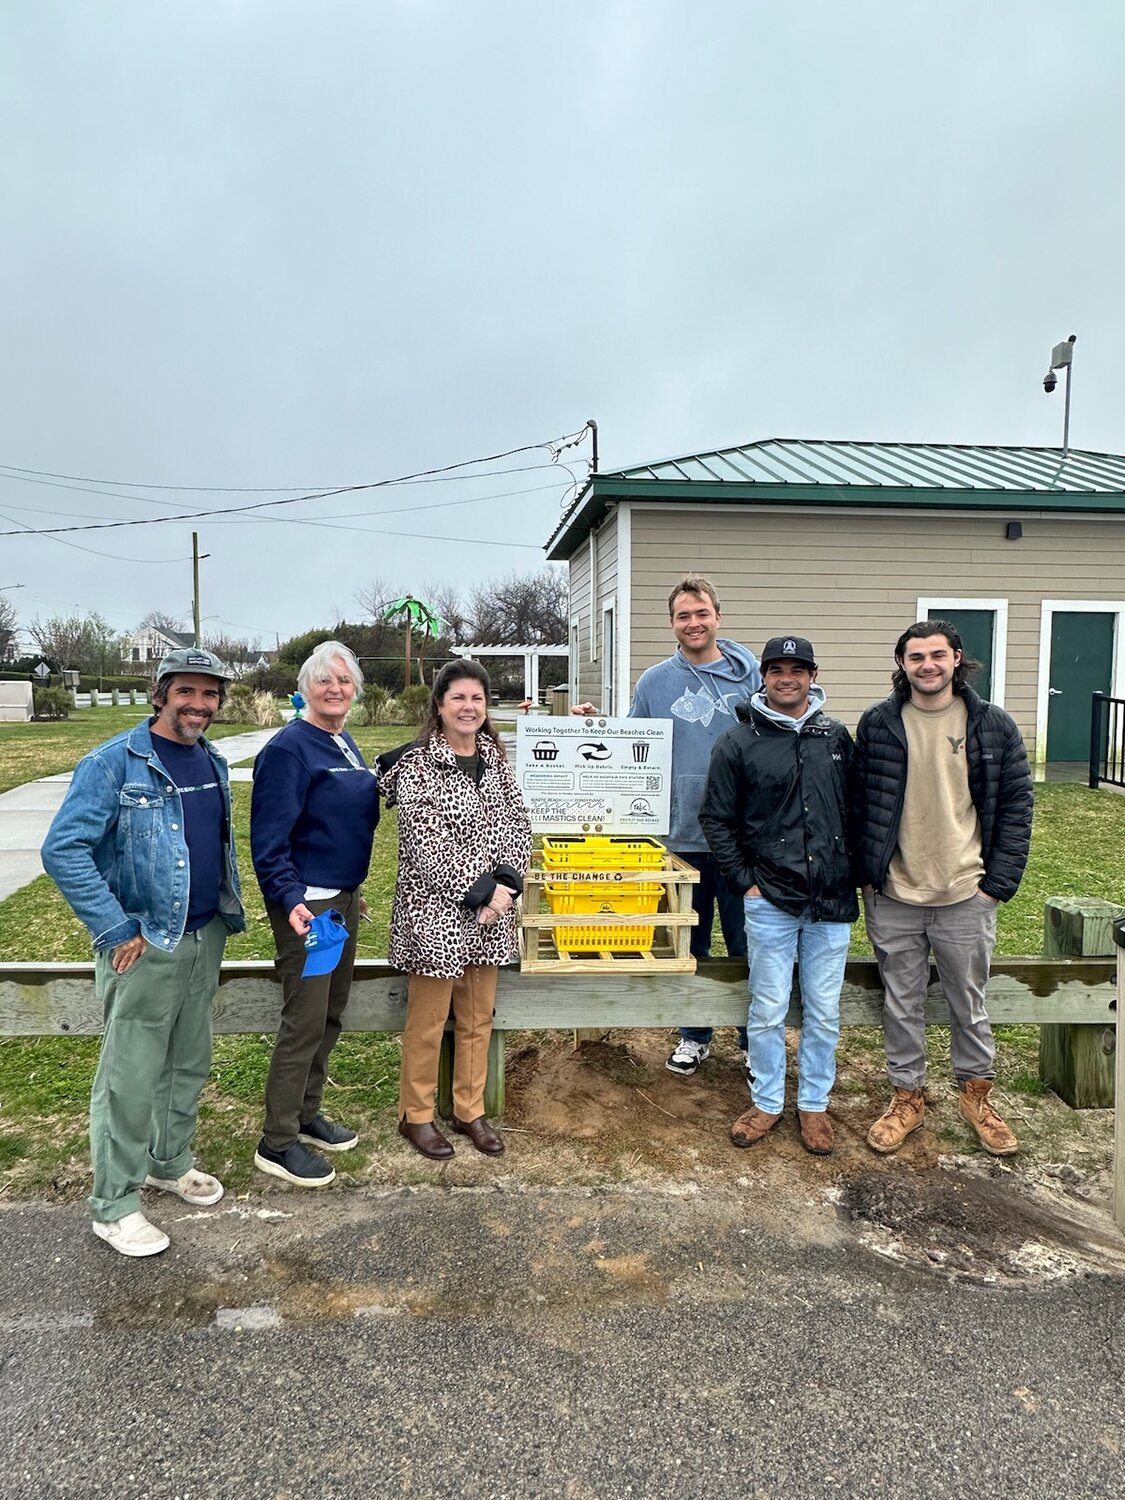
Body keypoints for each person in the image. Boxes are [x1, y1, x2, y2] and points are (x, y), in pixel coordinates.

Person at [41, 647, 245, 1257]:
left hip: (204, 935)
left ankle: (168, 1162)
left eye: (210, 695)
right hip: (144, 945)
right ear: (160, 695)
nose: (199, 705)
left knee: (187, 1063)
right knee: (130, 1078)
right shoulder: (113, 765)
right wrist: (114, 927)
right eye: (186, 691)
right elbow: (64, 849)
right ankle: (114, 1204)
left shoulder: (210, 759)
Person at [850, 620, 1033, 1157]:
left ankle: (977, 1096)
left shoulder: (993, 726)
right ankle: (907, 1097)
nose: (927, 665)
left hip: (964, 893)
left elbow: (1017, 810)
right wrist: (868, 876)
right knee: (900, 1003)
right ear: (901, 664)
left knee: (968, 1002)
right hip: (894, 893)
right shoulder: (880, 723)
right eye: (915, 657)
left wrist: (994, 888)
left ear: (957, 658)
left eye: (937, 654)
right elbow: (859, 804)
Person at [573, 575, 760, 1077]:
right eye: (683, 615)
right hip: (679, 837)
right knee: (688, 944)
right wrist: (594, 725)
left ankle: (751, 1038)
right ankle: (694, 1034)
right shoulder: (654, 682)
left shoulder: (752, 676)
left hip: (744, 842)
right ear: (672, 623)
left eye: (701, 613)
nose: (693, 623)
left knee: (747, 946)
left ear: (718, 616)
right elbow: (634, 742)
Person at [700, 635, 856, 1155]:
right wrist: (747, 880)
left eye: (798, 668)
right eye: (776, 669)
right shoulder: (738, 741)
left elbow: (854, 812)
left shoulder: (835, 738)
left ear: (813, 675)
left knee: (823, 1009)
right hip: (769, 899)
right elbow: (716, 819)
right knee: (767, 1007)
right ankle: (766, 1100)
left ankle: (813, 1104)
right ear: (762, 676)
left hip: (829, 899)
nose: (787, 678)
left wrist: (851, 869)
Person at [380, 659, 531, 1161]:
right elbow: (425, 842)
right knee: (428, 1019)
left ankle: (470, 1109)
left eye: (477, 699)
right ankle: (416, 1114)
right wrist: (482, 891)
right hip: (437, 912)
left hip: (493, 914)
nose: (469, 708)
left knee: (476, 1017)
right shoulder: (419, 764)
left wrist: (507, 885)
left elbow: (517, 825)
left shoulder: (494, 758)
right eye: (459, 698)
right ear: (440, 706)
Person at [251, 641, 380, 1188]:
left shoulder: (341, 740)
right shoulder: (289, 750)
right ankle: (277, 1141)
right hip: (312, 909)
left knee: (330, 1012)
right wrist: (293, 899)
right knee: (304, 1020)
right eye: (324, 680)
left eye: (344, 681)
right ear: (304, 688)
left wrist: (351, 890)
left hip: (342, 900)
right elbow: (269, 841)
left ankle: (306, 1112)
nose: (335, 689)